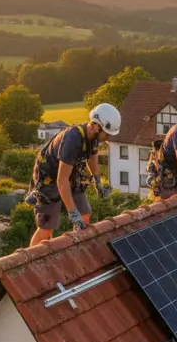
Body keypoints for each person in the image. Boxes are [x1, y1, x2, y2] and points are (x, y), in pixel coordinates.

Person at [26, 103, 121, 246]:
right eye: (106, 134)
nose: (107, 137)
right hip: (48, 178)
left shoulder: (93, 137)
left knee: (84, 215)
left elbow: (92, 157)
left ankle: (75, 247)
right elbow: (61, 180)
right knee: (47, 228)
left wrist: (98, 182)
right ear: (96, 126)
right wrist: (72, 212)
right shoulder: (72, 139)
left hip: (70, 174)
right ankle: (31, 262)